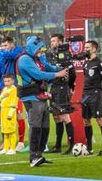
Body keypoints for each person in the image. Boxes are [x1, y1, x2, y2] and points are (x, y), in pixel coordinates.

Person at [15, 35, 69, 167]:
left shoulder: (35, 58)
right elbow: (37, 75)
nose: (41, 51)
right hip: (31, 96)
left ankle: (38, 155)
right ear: (32, 47)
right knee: (36, 126)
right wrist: (58, 74)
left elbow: (47, 67)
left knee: (44, 126)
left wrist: (60, 68)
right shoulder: (24, 60)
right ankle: (34, 156)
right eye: (39, 48)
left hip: (39, 95)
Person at [46, 33, 76, 155]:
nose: (52, 43)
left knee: (64, 116)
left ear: (60, 42)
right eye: (51, 41)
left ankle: (71, 145)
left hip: (62, 88)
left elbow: (73, 73)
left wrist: (70, 86)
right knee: (56, 117)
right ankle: (58, 145)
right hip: (53, 87)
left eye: (54, 41)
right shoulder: (50, 55)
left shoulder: (66, 56)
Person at [81, 40, 102, 155]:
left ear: (94, 49)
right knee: (86, 120)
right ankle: (89, 148)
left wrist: (100, 96)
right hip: (85, 94)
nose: (85, 49)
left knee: (99, 119)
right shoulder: (86, 63)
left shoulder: (99, 63)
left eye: (88, 47)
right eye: (85, 47)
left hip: (95, 93)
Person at [0, 74, 20, 155]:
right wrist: (3, 96)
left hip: (9, 110)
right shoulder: (4, 89)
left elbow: (14, 101)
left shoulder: (14, 89)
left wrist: (11, 113)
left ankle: (12, 148)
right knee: (5, 131)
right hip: (3, 110)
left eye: (8, 81)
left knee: (11, 130)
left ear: (12, 81)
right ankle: (6, 148)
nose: (6, 83)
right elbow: (0, 98)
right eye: (5, 81)